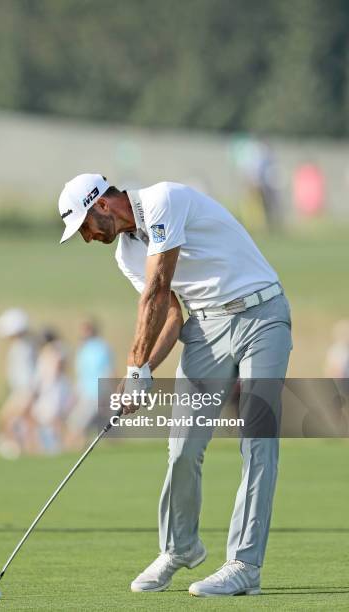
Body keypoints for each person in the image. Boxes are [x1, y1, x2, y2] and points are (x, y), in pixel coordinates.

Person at [57, 174, 292, 597]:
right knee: (183, 445)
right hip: (205, 329)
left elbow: (158, 287)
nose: (87, 239)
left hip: (262, 314)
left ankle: (244, 565)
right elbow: (169, 315)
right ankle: (180, 548)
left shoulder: (165, 199)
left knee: (258, 439)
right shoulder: (126, 255)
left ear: (103, 207)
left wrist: (132, 368)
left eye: (85, 228)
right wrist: (144, 372)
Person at [0, 308, 37, 457]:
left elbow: (29, 373)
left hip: (25, 391)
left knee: (15, 420)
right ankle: (18, 448)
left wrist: (29, 394)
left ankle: (24, 449)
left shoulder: (26, 347)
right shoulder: (20, 346)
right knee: (10, 419)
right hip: (19, 390)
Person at [67, 318, 114, 447]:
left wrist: (106, 393)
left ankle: (77, 451)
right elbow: (81, 375)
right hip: (85, 394)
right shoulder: (82, 349)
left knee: (77, 424)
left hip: (96, 393)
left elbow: (107, 371)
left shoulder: (101, 347)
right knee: (96, 426)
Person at [31, 328, 75, 453]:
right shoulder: (48, 351)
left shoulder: (56, 350)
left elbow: (58, 367)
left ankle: (60, 445)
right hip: (47, 390)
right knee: (44, 418)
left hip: (55, 390)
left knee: (54, 419)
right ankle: (49, 445)